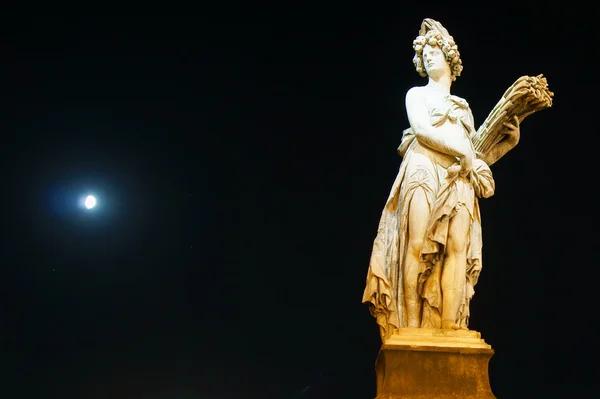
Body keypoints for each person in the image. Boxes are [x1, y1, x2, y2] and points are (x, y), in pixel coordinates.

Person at [362, 18, 520, 339]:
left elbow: (475, 158)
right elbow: (422, 131)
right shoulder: (416, 95)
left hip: (458, 178)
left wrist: (507, 143)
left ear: (449, 57)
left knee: (456, 248)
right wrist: (461, 151)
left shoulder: (463, 109)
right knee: (418, 244)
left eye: (435, 50)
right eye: (425, 53)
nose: (428, 56)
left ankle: (450, 327)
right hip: (423, 167)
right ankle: (411, 327)